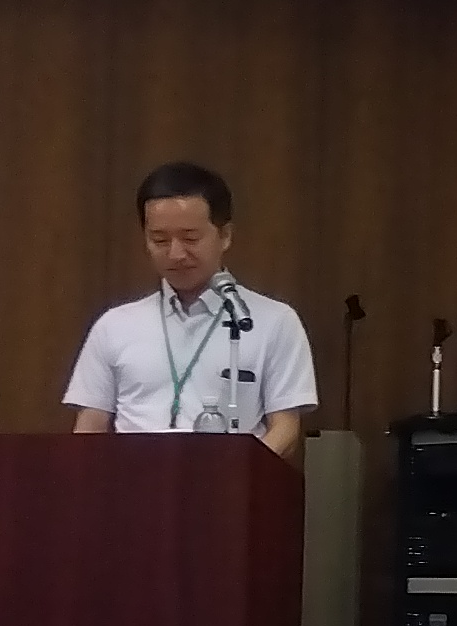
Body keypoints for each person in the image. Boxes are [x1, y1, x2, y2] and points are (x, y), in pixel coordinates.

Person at [66, 162, 317, 457]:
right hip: (134, 480)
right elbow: (89, 428)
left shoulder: (273, 321)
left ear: (225, 235)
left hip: (230, 481)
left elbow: (285, 430)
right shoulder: (115, 325)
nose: (176, 254)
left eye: (190, 238)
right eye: (160, 240)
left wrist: (238, 473)